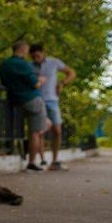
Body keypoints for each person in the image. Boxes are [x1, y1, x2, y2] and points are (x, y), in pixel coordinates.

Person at [0, 40, 52, 172]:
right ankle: (32, 163)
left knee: (24, 130)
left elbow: (5, 83)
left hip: (15, 101)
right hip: (32, 100)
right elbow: (35, 85)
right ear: (23, 49)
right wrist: (40, 80)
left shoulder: (4, 65)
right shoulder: (24, 64)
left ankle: (23, 153)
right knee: (35, 132)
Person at [29, 43, 76, 171]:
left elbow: (71, 73)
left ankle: (55, 161)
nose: (36, 59)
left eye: (37, 56)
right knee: (39, 131)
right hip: (37, 100)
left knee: (57, 130)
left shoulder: (54, 62)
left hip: (52, 101)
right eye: (33, 57)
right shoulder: (29, 66)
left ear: (43, 53)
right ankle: (42, 160)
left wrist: (62, 83)